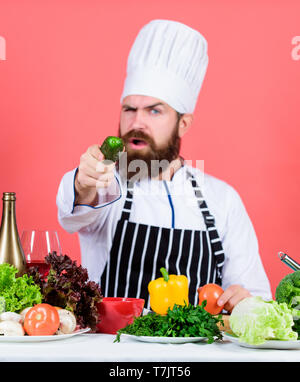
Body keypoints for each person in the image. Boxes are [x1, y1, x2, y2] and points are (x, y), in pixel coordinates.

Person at [56, 19, 272, 312]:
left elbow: (256, 297)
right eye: (129, 109)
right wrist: (83, 182)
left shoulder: (223, 200)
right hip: (112, 352)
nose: (137, 122)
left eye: (154, 111)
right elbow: (75, 212)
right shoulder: (108, 183)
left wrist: (245, 302)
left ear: (183, 124)